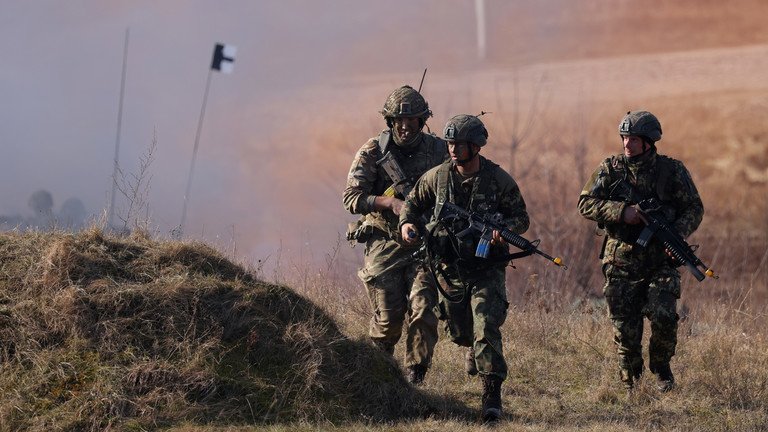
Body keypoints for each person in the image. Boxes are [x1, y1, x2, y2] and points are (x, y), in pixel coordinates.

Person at [399, 114, 529, 422]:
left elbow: (521, 219)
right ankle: (420, 373)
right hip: (444, 266)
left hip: (485, 267)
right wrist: (407, 225)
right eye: (450, 143)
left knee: (486, 325)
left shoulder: (498, 180)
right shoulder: (436, 178)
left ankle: (491, 395)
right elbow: (412, 204)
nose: (453, 149)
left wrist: (502, 229)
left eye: (459, 144)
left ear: (476, 146)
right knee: (451, 327)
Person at [578, 110, 704, 392]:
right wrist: (622, 212)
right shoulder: (610, 169)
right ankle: (631, 380)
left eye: (633, 139)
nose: (626, 144)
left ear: (649, 141)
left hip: (660, 260)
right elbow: (585, 204)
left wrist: (678, 235)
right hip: (621, 260)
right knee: (625, 326)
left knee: (663, 316)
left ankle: (661, 370)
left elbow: (694, 208)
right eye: (624, 138)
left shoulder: (672, 171)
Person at [342, 85, 448, 384]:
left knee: (424, 308)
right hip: (385, 242)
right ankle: (379, 378)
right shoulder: (374, 151)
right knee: (388, 322)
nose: (404, 126)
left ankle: (415, 376)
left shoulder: (439, 151)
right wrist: (389, 202)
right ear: (389, 121)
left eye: (412, 120)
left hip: (423, 244)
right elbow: (351, 197)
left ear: (422, 120)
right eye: (398, 121)